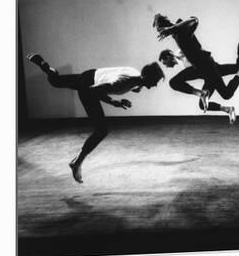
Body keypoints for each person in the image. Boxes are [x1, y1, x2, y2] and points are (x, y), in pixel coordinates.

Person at [26, 53, 164, 183]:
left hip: (90, 74)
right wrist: (115, 102)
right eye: (155, 82)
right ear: (146, 78)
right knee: (101, 131)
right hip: (88, 87)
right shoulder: (121, 84)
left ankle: (46, 67)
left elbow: (137, 83)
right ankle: (77, 163)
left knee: (56, 81)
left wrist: (138, 87)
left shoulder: (135, 73)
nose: (155, 85)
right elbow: (93, 90)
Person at [153, 14, 239, 112]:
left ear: (164, 26)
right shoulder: (176, 34)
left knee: (226, 94)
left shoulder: (180, 31)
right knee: (175, 84)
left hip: (206, 65)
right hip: (202, 68)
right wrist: (170, 30)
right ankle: (205, 95)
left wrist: (171, 28)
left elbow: (195, 20)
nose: (161, 34)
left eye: (160, 30)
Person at [159, 49, 239, 124]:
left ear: (168, 57)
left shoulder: (179, 53)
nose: (166, 66)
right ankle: (228, 109)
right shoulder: (179, 62)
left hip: (210, 70)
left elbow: (190, 50)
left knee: (226, 94)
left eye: (164, 62)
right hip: (208, 75)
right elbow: (221, 69)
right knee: (203, 105)